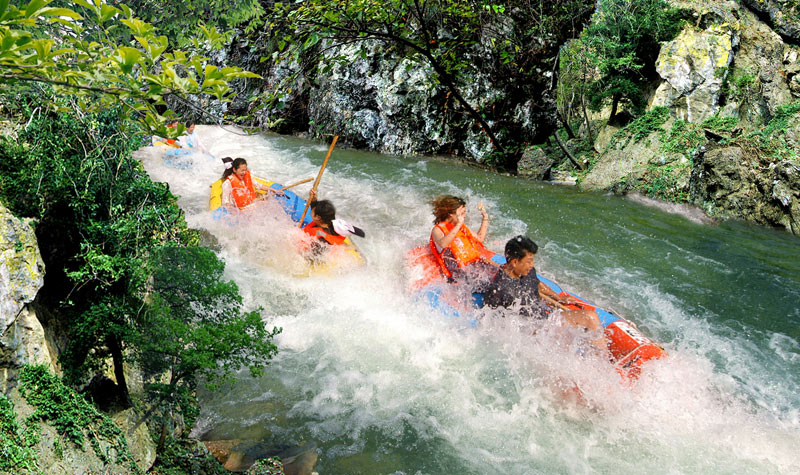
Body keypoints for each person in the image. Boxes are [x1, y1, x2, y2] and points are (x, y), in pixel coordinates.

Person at [484, 235, 602, 333]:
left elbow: (537, 284)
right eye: (529, 261)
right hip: (533, 332)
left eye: (532, 260)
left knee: (591, 318)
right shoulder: (500, 288)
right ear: (515, 262)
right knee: (590, 318)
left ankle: (601, 357)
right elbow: (490, 318)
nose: (531, 265)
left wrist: (559, 297)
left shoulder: (526, 271)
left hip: (546, 321)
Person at [429, 194, 502, 289]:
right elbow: (443, 244)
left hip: (474, 266)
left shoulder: (461, 227)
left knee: (503, 273)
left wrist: (485, 218)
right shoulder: (438, 230)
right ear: (451, 213)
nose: (464, 215)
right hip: (459, 275)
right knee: (495, 285)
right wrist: (458, 224)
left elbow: (479, 238)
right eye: (462, 212)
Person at [302, 189, 365, 253]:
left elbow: (314, 257)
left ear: (318, 217)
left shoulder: (321, 239)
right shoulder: (328, 223)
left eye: (313, 210)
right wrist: (314, 200)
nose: (311, 210)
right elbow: (316, 212)